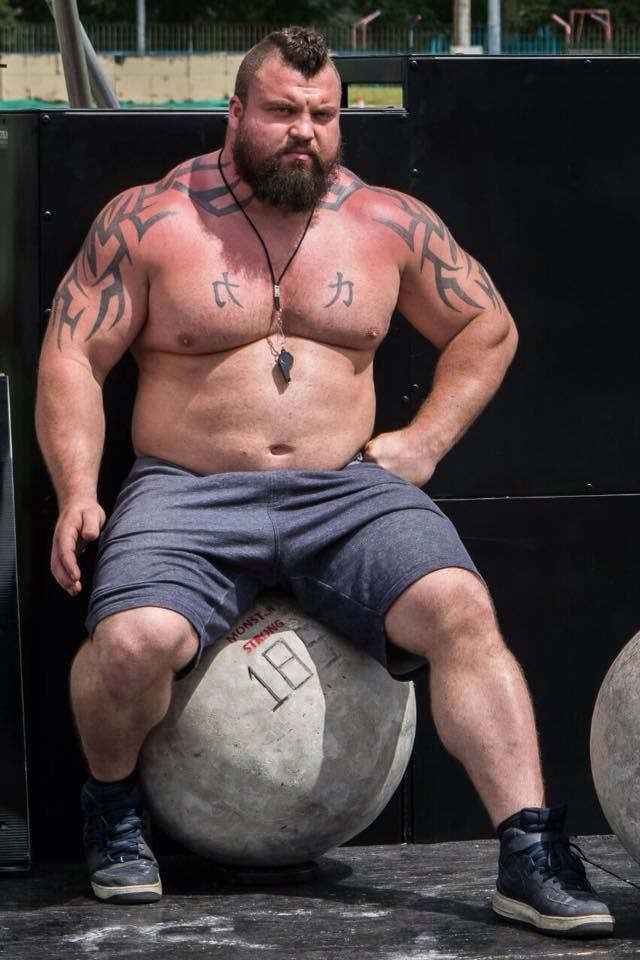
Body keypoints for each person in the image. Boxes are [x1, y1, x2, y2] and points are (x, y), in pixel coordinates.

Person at [35, 25, 612, 936]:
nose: (304, 130)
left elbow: (488, 328)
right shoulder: (153, 220)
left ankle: (528, 849)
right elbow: (73, 353)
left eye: (323, 113)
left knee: (461, 607)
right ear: (235, 111)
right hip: (188, 492)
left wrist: (423, 441)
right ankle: (111, 807)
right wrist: (76, 487)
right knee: (132, 641)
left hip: (342, 491)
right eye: (282, 112)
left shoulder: (384, 222)